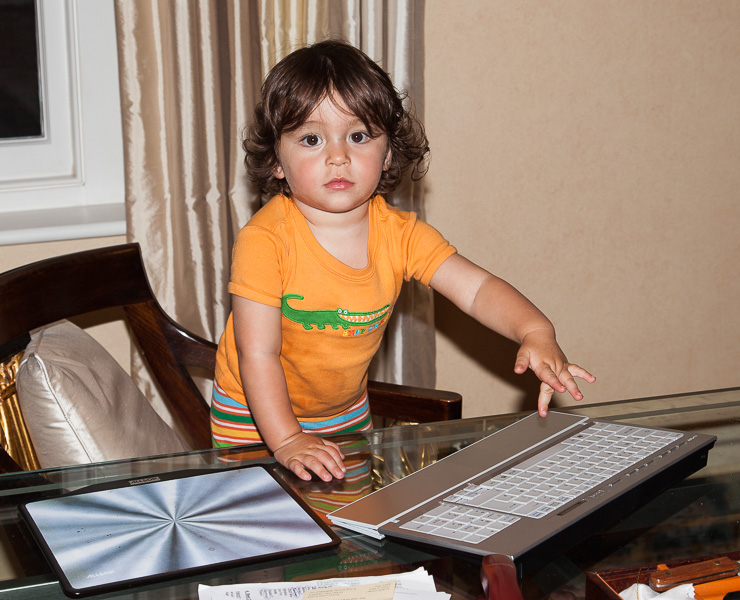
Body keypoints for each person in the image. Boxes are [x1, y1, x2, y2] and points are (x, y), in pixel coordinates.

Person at [211, 40, 595, 483]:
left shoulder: (401, 234)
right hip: (254, 417)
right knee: (270, 531)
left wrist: (536, 331)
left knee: (347, 523)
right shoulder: (264, 240)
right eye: (312, 139)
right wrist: (286, 439)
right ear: (277, 160)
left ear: (388, 151)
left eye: (358, 136)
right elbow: (258, 352)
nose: (338, 155)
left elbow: (476, 290)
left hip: (345, 412)